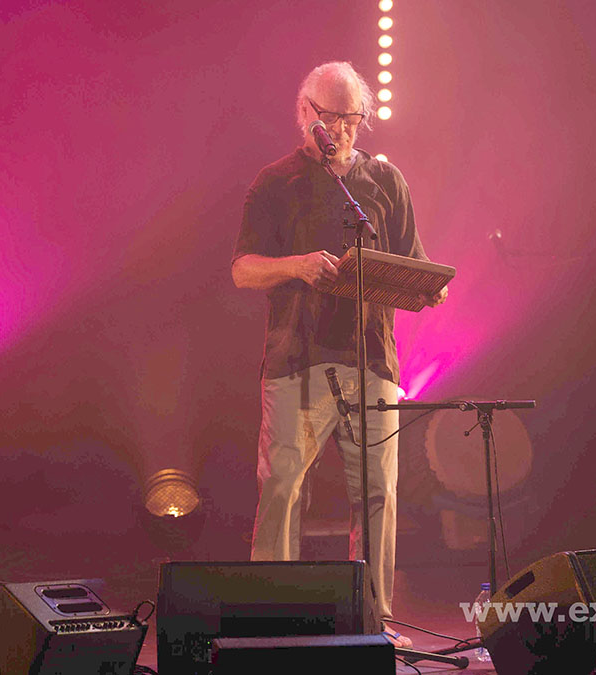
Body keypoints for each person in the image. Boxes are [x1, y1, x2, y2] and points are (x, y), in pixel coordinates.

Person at [231, 61, 446, 649]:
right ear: (305, 115)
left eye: (351, 118)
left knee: (378, 494)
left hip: (372, 362)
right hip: (295, 361)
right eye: (329, 117)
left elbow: (414, 263)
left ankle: (374, 625)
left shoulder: (383, 182)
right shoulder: (274, 182)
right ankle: (268, 621)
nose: (341, 129)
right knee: (280, 487)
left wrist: (429, 289)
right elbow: (242, 269)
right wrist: (298, 266)